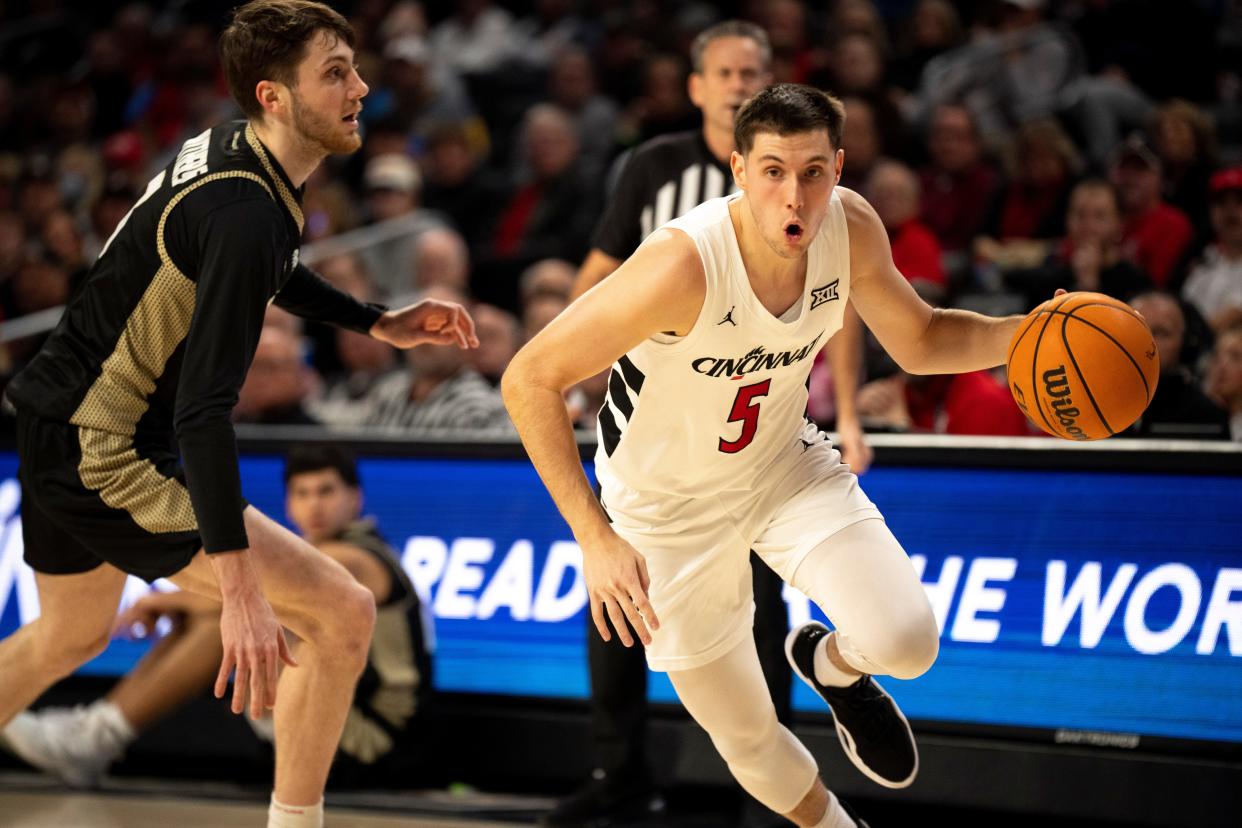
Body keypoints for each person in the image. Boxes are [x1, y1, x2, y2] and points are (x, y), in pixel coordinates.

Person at [503, 83, 1038, 828]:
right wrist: (594, 537)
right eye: (775, 171)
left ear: (841, 169)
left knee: (907, 641)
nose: (796, 195)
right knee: (748, 738)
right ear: (739, 170)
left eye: (814, 171)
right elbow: (528, 376)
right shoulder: (681, 265)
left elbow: (920, 340)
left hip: (781, 465)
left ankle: (832, 666)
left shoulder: (850, 227)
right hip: (666, 511)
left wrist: (1029, 332)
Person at [0, 4, 477, 828]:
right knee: (339, 611)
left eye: (354, 67)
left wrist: (374, 320)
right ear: (275, 95)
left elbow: (262, 264)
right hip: (104, 444)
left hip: (55, 414)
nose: (361, 87)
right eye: (335, 72)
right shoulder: (247, 210)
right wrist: (240, 588)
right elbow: (204, 411)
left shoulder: (235, 151)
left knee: (68, 640)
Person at [559, 22, 868, 828]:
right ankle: (618, 773)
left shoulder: (815, 199)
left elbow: (854, 296)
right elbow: (598, 282)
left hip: (759, 434)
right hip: (661, 433)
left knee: (765, 615)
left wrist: (855, 411)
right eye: (724, 71)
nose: (739, 82)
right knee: (623, 606)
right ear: (696, 88)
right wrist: (569, 363)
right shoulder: (654, 172)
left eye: (753, 70)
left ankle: (770, 796)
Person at [2, 444, 434, 789]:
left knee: (226, 620)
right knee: (226, 617)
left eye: (326, 491)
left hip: (373, 739)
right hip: (335, 720)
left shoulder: (356, 558)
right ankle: (95, 735)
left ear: (355, 499)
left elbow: (245, 595)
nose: (314, 505)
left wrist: (160, 602)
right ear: (288, 505)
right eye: (302, 493)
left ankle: (94, 738)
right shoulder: (329, 554)